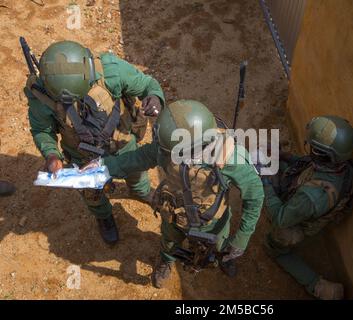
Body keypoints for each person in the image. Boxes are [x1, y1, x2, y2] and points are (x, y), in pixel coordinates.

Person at [96, 100, 264, 288]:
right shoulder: (168, 146)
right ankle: (166, 261)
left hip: (213, 223)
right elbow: (137, 158)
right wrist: (100, 169)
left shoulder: (231, 159)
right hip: (174, 215)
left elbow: (255, 196)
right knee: (169, 243)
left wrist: (241, 240)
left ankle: (224, 259)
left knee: (220, 247)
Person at [24, 40, 165, 244]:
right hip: (82, 154)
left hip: (122, 142)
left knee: (137, 174)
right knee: (92, 194)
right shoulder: (42, 95)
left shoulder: (111, 71)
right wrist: (52, 154)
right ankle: (103, 216)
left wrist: (154, 98)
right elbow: (41, 130)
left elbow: (147, 84)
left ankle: (141, 192)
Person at [261, 116, 353, 300]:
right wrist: (285, 157)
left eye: (313, 148)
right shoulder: (341, 163)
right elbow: (309, 164)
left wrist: (265, 183)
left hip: (297, 224)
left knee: (273, 246)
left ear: (325, 155)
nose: (310, 150)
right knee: (272, 163)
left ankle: (319, 286)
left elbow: (281, 217)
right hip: (308, 195)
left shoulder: (312, 197)